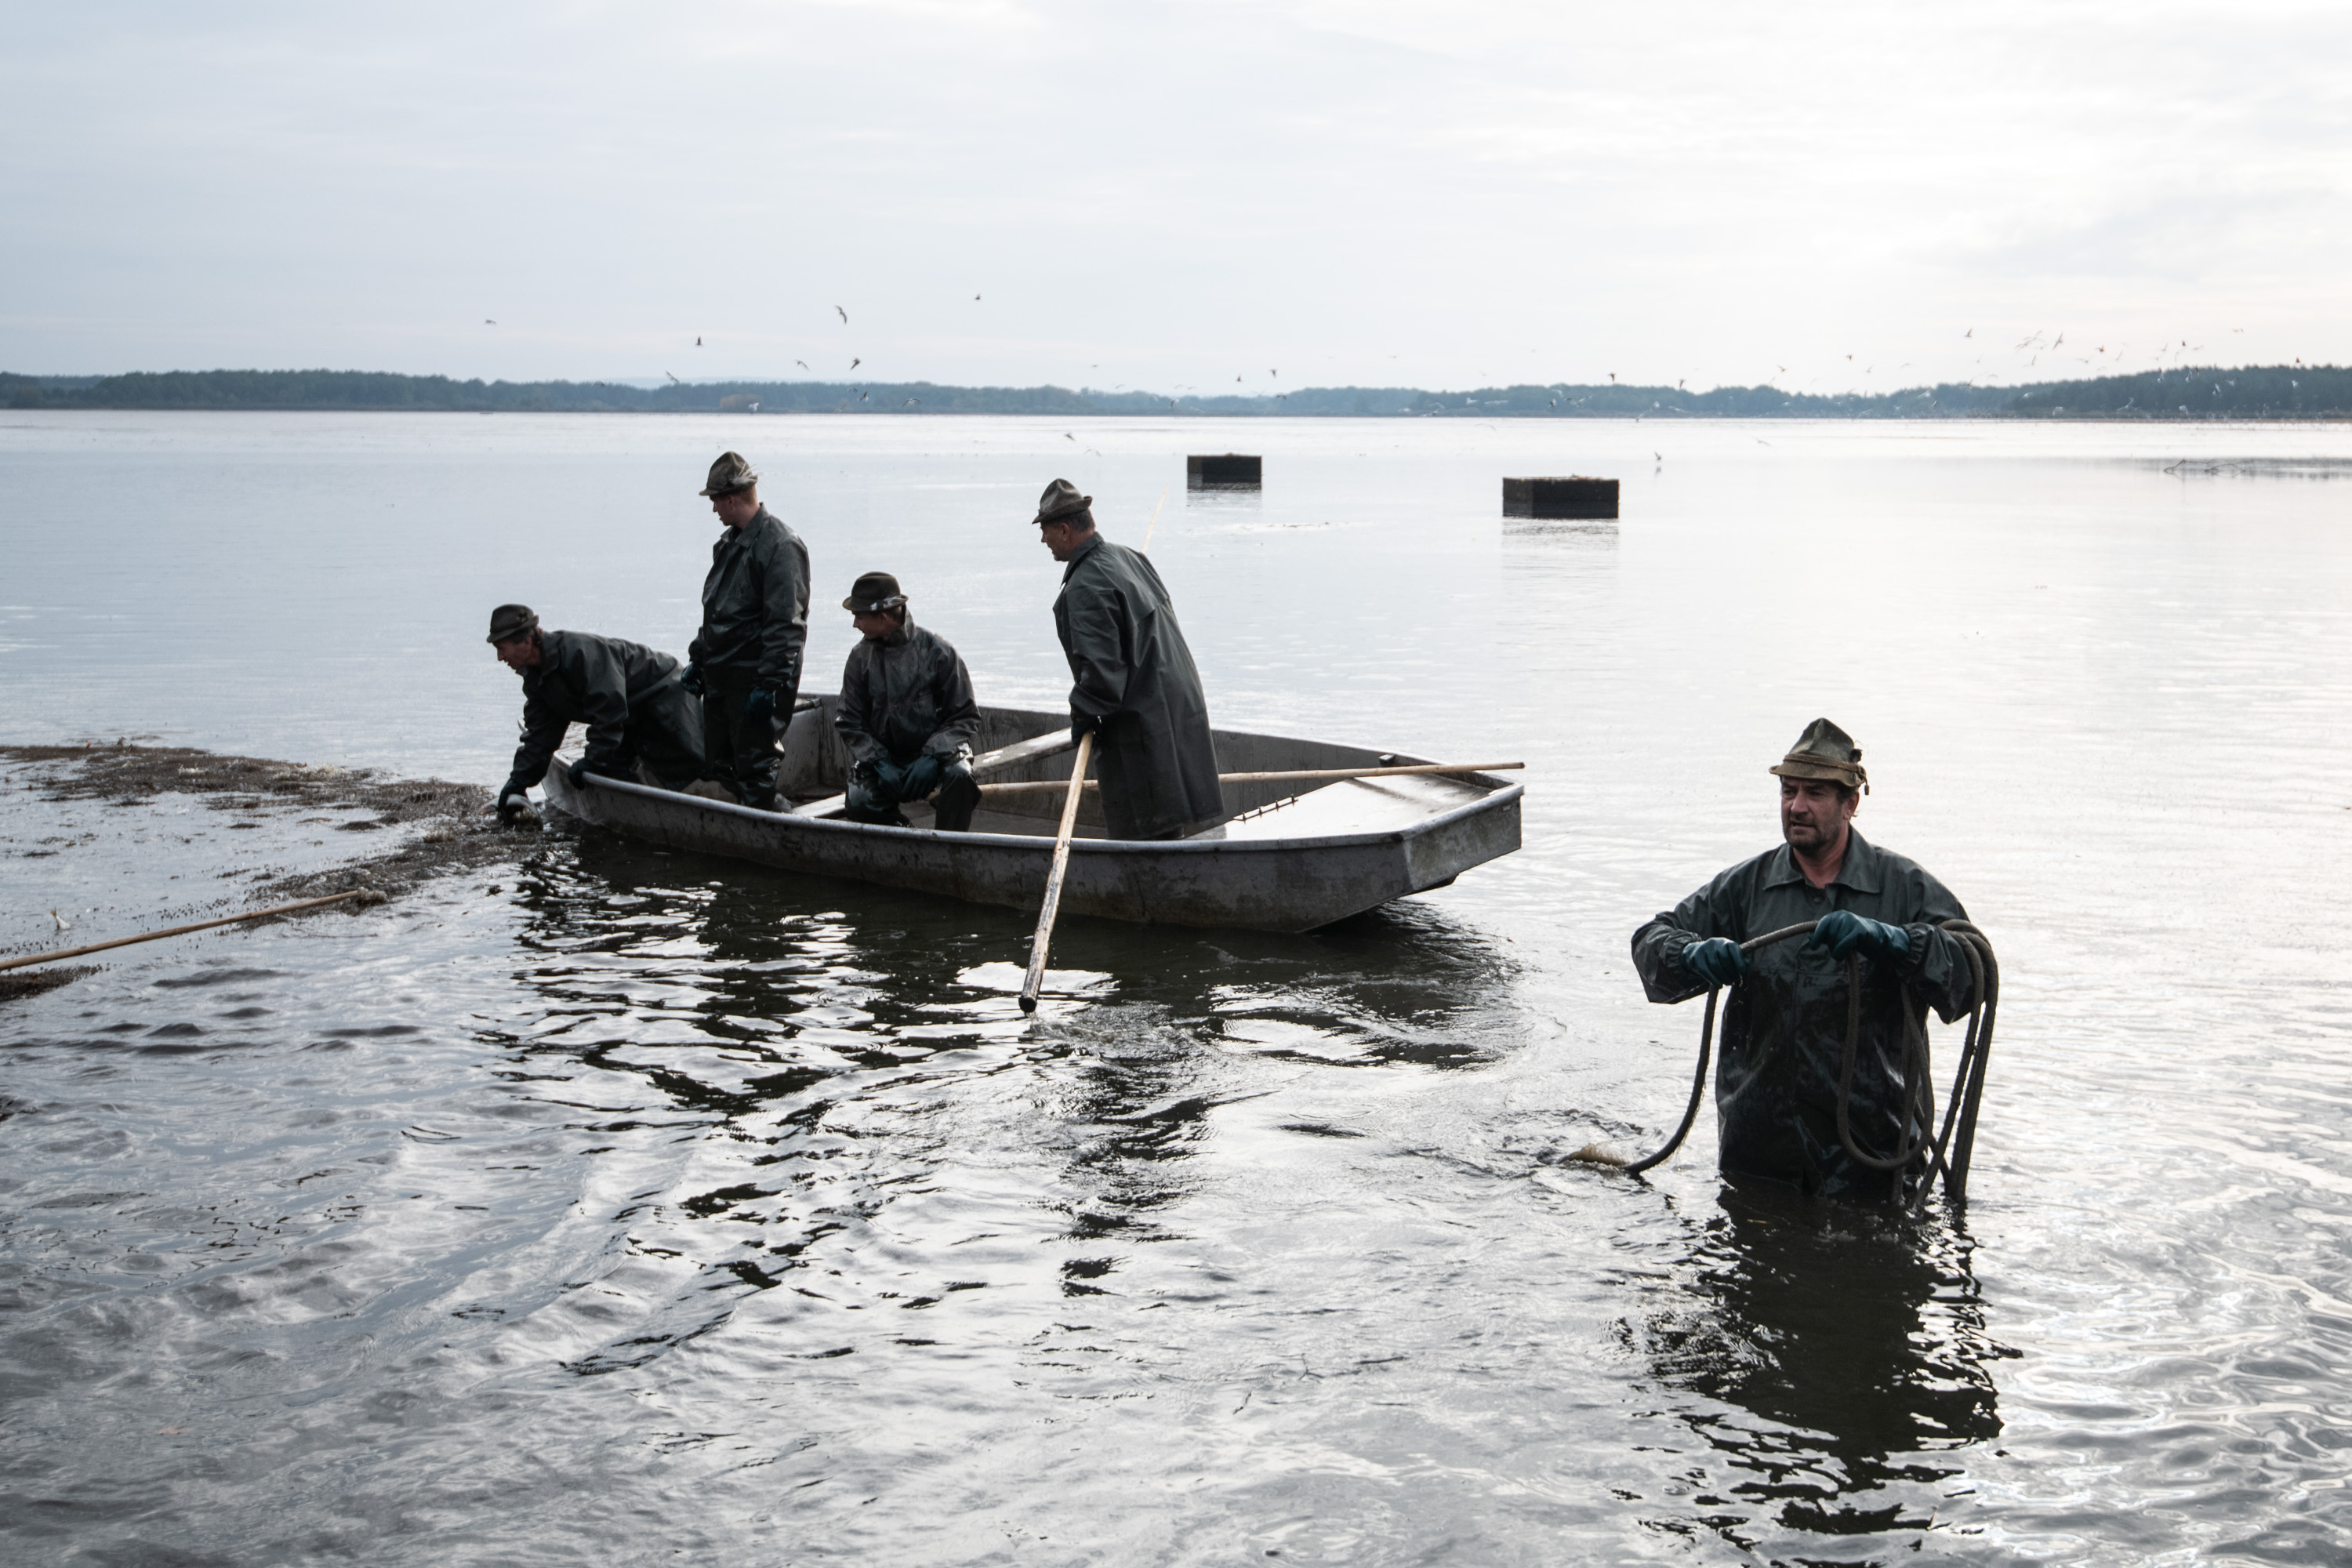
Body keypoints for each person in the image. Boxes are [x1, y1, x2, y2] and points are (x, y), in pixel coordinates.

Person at [1629, 719, 1978, 1202]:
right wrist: (1688, 953)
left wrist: (1898, 942)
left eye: (1815, 793)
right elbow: (1651, 939)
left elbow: (1972, 975)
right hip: (1758, 1154)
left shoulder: (1904, 887)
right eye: (1788, 791)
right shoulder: (1747, 887)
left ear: (1850, 803)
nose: (1796, 806)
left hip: (1872, 1157)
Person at [1035, 478, 1223, 840]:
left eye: (1045, 530)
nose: (1043, 540)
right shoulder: (1131, 558)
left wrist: (1081, 714)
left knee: (1145, 834)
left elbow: (1103, 679)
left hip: (1145, 723)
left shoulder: (1085, 587)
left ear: (1064, 530)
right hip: (1179, 708)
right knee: (1170, 823)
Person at [486, 604, 703, 823]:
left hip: (665, 693)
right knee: (615, 768)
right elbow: (540, 735)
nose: (500, 657)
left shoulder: (579, 653)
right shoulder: (536, 678)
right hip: (630, 714)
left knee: (693, 769)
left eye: (502, 648)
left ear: (526, 642)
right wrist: (518, 782)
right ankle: (641, 817)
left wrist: (593, 760)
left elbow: (610, 710)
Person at [683, 451, 808, 811]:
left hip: (755, 680)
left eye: (715, 500)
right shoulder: (727, 544)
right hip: (723, 675)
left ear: (731, 499)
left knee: (755, 769)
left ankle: (780, 825)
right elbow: (717, 611)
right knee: (722, 764)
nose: (713, 509)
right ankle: (752, 818)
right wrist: (699, 658)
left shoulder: (781, 546)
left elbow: (786, 624)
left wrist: (768, 685)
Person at [833, 572, 984, 831]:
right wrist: (879, 761)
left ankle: (948, 844)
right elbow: (849, 721)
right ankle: (904, 837)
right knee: (859, 801)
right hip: (884, 757)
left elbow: (964, 716)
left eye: (859, 616)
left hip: (938, 753)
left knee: (960, 777)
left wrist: (932, 755)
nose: (855, 624)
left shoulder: (939, 651)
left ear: (883, 616)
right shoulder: (859, 658)